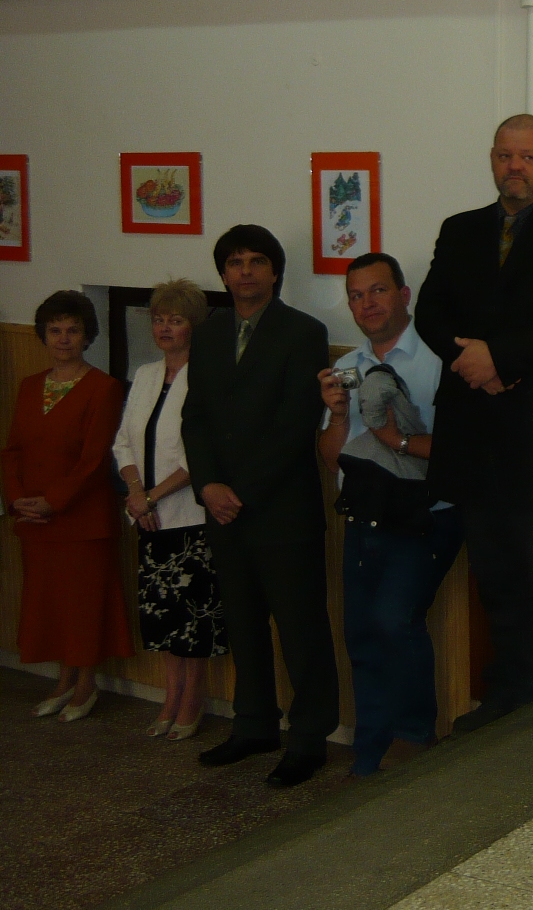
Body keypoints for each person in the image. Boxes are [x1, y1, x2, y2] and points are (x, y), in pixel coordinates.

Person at [416, 113, 533, 734]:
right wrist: (472, 361)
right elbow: (430, 311)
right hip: (472, 433)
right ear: (492, 159)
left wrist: (502, 360)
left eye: (528, 157)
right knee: (493, 576)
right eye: (504, 156)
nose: (514, 167)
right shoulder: (459, 229)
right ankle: (506, 698)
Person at [181, 225, 337, 787]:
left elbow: (297, 423)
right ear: (223, 274)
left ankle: (309, 737)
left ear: (274, 272)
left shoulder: (304, 331)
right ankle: (254, 726)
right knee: (243, 626)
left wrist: (237, 492)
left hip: (281, 507)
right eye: (235, 262)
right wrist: (208, 486)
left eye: (256, 261)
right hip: (222, 508)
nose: (245, 271)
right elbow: (195, 417)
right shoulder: (209, 332)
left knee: (300, 630)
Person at [317, 252, 460, 778]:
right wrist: (337, 415)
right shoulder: (350, 367)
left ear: (404, 295)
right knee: (361, 632)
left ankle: (414, 736)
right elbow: (333, 458)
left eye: (377, 291)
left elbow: (460, 451)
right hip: (364, 515)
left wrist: (395, 438)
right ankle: (370, 747)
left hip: (426, 515)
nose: (366, 304)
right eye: (356, 296)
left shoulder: (438, 358)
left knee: (394, 621)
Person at [3, 291, 131, 721]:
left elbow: (94, 460)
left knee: (83, 606)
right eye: (55, 330)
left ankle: (86, 684)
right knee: (51, 606)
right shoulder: (29, 386)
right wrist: (17, 499)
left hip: (81, 519)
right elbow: (13, 451)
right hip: (34, 520)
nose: (63, 338)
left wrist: (53, 502)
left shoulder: (103, 388)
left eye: (72, 330)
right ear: (43, 335)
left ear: (87, 336)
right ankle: (63, 680)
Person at [114, 278, 226, 741]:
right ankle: (169, 696)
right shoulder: (144, 375)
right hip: (148, 517)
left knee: (191, 618)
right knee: (160, 616)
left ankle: (191, 699)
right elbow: (123, 442)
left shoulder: (207, 376)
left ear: (193, 327)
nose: (164, 327)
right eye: (158, 319)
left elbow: (201, 456)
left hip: (188, 519)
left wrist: (152, 496)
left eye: (175, 320)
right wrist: (136, 493)